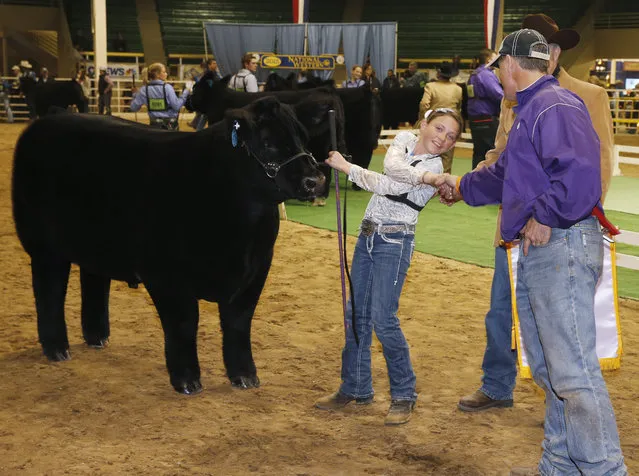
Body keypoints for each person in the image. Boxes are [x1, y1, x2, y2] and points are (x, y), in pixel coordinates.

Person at [436, 29, 626, 475]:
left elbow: (581, 177)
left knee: (573, 374)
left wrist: (545, 215)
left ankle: (604, 469)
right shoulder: (535, 107)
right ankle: (560, 464)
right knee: (551, 370)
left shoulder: (551, 106)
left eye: (500, 65)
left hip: (559, 244)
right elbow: (506, 173)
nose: (498, 73)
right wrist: (461, 186)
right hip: (548, 249)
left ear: (512, 64)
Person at [314, 108, 463, 426]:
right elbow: (392, 167)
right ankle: (355, 387)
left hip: (395, 242)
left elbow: (389, 186)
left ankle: (404, 395)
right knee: (357, 314)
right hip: (367, 234)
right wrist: (428, 179)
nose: (442, 139)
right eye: (438, 128)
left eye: (450, 136)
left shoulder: (437, 165)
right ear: (423, 125)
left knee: (383, 319)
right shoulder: (404, 140)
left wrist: (346, 167)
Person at [418, 61, 462, 173]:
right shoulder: (458, 89)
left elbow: (424, 104)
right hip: (451, 126)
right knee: (447, 157)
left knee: (428, 153)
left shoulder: (431, 86)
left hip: (435, 124)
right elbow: (458, 107)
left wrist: (424, 118)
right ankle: (444, 184)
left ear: (438, 73)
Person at [467, 49, 503, 169]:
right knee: (491, 153)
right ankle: (487, 182)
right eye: (494, 57)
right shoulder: (486, 74)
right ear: (489, 59)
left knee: (478, 152)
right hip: (486, 118)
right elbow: (499, 95)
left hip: (474, 118)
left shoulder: (474, 74)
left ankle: (474, 181)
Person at [130, 62, 190, 131]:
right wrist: (185, 93)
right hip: (170, 125)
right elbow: (176, 106)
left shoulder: (144, 89)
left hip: (154, 126)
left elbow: (133, 108)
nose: (166, 74)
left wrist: (134, 94)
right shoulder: (167, 88)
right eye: (164, 72)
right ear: (157, 74)